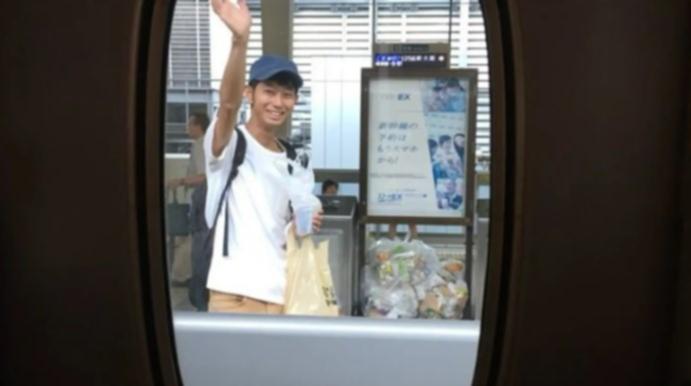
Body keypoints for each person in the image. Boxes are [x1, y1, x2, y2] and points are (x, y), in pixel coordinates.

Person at [203, 0, 322, 315]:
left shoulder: (293, 157)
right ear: (249, 93)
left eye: (287, 94)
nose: (278, 102)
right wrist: (239, 41)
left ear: (295, 100)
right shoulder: (230, 145)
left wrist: (302, 223)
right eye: (269, 91)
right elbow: (226, 106)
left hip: (285, 293)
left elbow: (286, 225)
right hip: (235, 295)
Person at [166, 113, 209, 299]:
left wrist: (180, 181)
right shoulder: (205, 143)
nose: (186, 128)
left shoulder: (201, 144)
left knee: (194, 238)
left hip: (201, 199)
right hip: (203, 200)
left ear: (198, 125)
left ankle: (183, 276)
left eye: (189, 124)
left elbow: (203, 176)